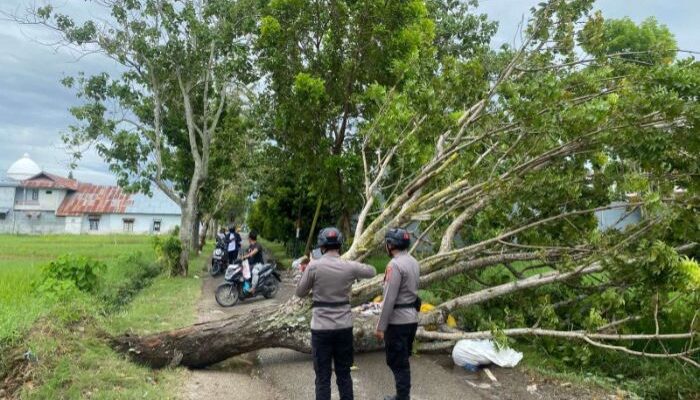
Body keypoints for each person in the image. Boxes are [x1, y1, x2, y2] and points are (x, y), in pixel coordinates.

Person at [296, 227, 377, 400]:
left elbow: (300, 292)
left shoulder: (314, 266)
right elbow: (372, 271)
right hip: (344, 328)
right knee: (344, 375)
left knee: (323, 378)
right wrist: (352, 268)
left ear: (321, 245)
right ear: (339, 245)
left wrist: (306, 271)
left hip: (321, 329)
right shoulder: (349, 266)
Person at [375, 228, 420, 400]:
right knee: (402, 359)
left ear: (391, 245)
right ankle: (402, 395)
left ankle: (403, 397)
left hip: (398, 321)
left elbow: (389, 298)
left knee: (397, 362)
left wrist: (381, 326)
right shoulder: (414, 261)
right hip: (411, 319)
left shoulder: (394, 265)